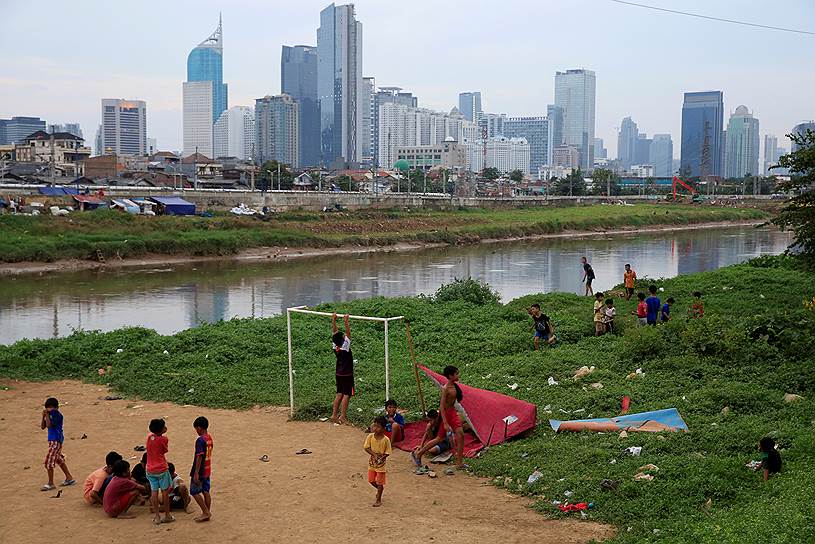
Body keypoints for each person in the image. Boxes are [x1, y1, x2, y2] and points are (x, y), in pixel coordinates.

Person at [40, 397, 75, 491]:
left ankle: (50, 483)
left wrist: (46, 415)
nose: (48, 409)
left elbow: (49, 425)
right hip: (52, 440)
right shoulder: (49, 414)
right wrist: (43, 416)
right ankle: (69, 478)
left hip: (56, 440)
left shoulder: (57, 415)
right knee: (58, 459)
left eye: (50, 408)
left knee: (49, 462)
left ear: (55, 407)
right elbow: (43, 426)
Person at [146, 418, 174, 525]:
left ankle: (157, 517)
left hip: (150, 469)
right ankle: (167, 515)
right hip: (161, 468)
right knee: (165, 492)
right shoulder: (164, 439)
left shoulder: (149, 437)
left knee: (154, 492)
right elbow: (164, 450)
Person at [440, 365, 466, 470]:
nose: (458, 375)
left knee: (461, 435)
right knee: (439, 438)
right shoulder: (446, 388)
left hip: (452, 412)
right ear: (450, 376)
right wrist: (445, 422)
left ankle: (459, 462)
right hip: (446, 413)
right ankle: (419, 453)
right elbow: (441, 406)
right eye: (456, 374)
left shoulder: (455, 386)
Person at [364, 415, 392, 507]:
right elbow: (366, 448)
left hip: (381, 465)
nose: (375, 428)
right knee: (371, 480)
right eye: (374, 426)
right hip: (372, 464)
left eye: (378, 426)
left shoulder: (386, 440)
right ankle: (380, 490)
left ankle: (378, 499)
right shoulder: (370, 437)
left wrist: (382, 458)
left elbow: (388, 452)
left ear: (383, 428)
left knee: (380, 482)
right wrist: (374, 455)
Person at [330, 312, 353, 424]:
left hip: (338, 373)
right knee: (347, 394)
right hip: (347, 373)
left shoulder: (336, 345)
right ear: (344, 340)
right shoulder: (345, 346)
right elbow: (348, 334)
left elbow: (335, 333)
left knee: (339, 393)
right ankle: (342, 416)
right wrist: (346, 322)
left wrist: (333, 320)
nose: (345, 336)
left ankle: (334, 415)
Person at [190, 416, 214, 523]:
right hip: (207, 469)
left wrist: (196, 472)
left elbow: (199, 456)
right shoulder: (209, 438)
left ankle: (205, 512)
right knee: (205, 491)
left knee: (194, 491)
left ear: (199, 428)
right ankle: (206, 512)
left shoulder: (200, 440)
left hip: (200, 470)